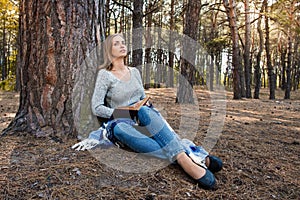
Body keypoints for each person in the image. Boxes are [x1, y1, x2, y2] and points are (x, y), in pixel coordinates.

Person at [74, 33, 222, 190]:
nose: (122, 45)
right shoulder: (105, 75)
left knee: (145, 110)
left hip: (142, 116)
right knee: (119, 129)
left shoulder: (135, 72)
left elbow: (142, 97)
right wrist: (124, 113)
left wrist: (144, 103)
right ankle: (185, 156)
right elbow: (97, 108)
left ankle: (183, 160)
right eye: (116, 44)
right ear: (109, 50)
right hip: (122, 120)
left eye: (123, 42)